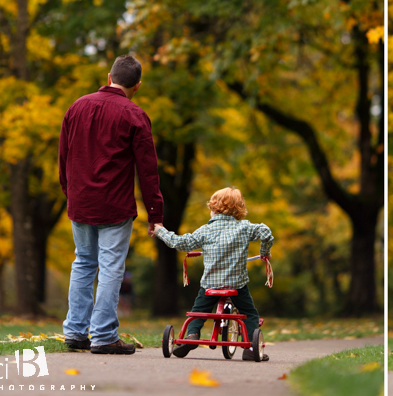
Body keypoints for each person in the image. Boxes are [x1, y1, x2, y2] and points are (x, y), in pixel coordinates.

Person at [59, 54, 164, 355]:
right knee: (110, 268)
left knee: (82, 262)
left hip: (81, 202)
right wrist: (155, 214)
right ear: (137, 86)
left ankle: (76, 332)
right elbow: (148, 171)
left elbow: (64, 156)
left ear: (109, 77)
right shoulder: (135, 116)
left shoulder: (76, 107)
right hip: (115, 206)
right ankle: (104, 336)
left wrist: (70, 191)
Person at [154, 187, 274, 361]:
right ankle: (249, 348)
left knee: (198, 311)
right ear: (239, 209)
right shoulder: (245, 227)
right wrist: (264, 252)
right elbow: (266, 233)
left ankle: (192, 335)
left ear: (213, 208)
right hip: (236, 285)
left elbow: (180, 243)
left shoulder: (205, 230)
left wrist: (160, 231)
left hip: (210, 285)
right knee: (249, 313)